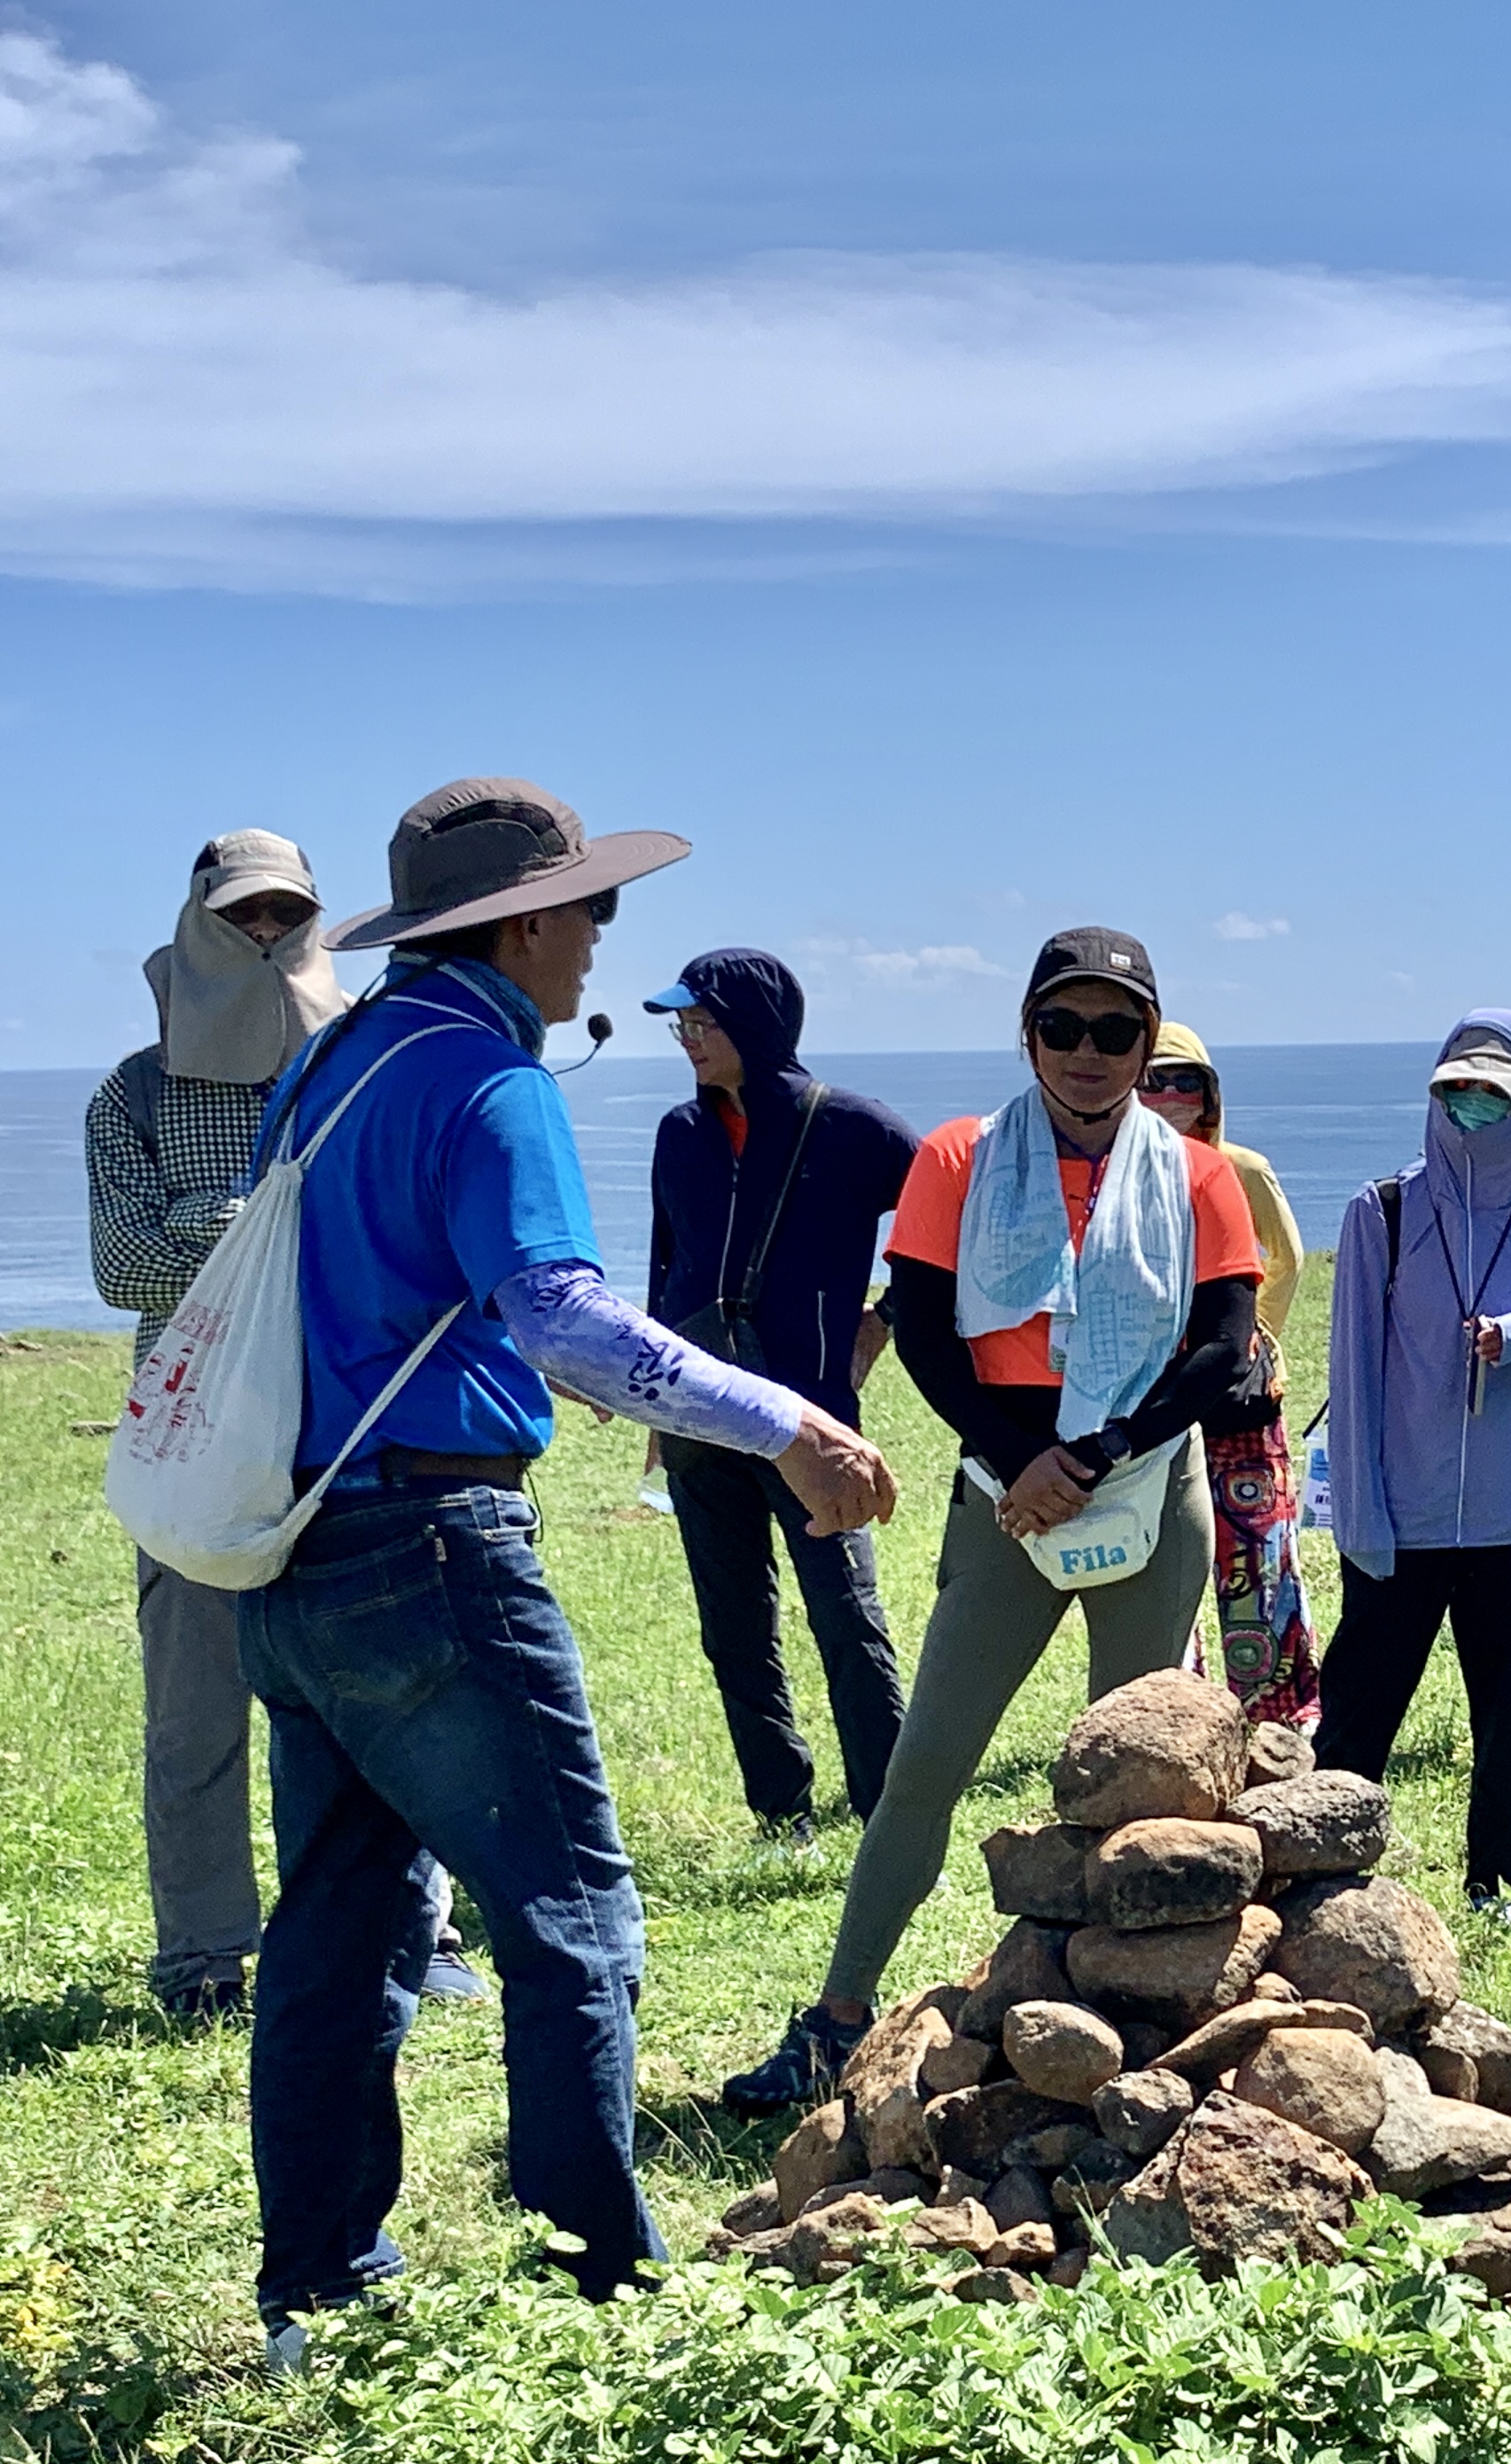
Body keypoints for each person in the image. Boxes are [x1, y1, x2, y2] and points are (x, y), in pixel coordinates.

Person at [244, 777, 896, 2359]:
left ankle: (314, 2285)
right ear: (524, 920)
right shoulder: (489, 1078)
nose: (604, 943)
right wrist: (784, 1422)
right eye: (593, 910)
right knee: (575, 1914)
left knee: (338, 1920)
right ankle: (601, 2287)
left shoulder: (326, 1065)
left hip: (290, 1539)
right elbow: (558, 1311)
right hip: (438, 1541)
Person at [727, 930, 1262, 2108]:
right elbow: (921, 1328)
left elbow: (1224, 1352)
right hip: (1003, 1498)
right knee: (928, 1767)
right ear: (1027, 1034)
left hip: (1142, 1486)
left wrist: (1098, 1454)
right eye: (1063, 1027)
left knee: (1139, 1781)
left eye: (1116, 1031)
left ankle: (1128, 2016)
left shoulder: (1199, 1175)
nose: (1087, 1052)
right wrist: (1022, 1462)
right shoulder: (961, 1159)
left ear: (1146, 1042)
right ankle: (836, 2015)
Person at [85, 831, 348, 2017]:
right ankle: (200, 1957)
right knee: (193, 1713)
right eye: (244, 916)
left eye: (286, 915)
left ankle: (405, 1933)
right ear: (199, 921)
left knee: (370, 1704)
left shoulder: (357, 1068)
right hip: (191, 1433)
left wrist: (214, 1227)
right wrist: (247, 1217)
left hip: (341, 1424)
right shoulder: (134, 1092)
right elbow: (121, 1265)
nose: (265, 936)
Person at [1312, 1014, 1511, 1938]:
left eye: (1496, 1090)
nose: (1474, 1106)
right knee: (1358, 1719)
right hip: (1401, 1523)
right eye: (1458, 1087)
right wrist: (1362, 1518)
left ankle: (1498, 1887)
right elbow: (1354, 1372)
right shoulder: (1384, 1211)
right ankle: (1324, 1881)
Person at [643, 950, 923, 1843]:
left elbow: (943, 1237)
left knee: (845, 1614)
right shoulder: (680, 1134)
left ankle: (890, 1808)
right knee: (732, 1623)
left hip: (813, 1420)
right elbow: (666, 1270)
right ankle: (779, 1808)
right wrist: (654, 1406)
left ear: (754, 1026)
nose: (687, 1039)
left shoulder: (850, 1127)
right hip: (699, 1417)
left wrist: (876, 1331)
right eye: (680, 1024)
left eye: (702, 1022)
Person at [1141, 1018, 1320, 1727]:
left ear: (1209, 1094)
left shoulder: (1240, 1167)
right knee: (1161, 1560)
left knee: (1257, 1553)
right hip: (1149, 1395)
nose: (1169, 1094)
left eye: (1186, 1080)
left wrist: (1252, 1334)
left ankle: (1281, 1713)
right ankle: (1179, 1714)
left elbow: (1287, 1256)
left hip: (1238, 1396)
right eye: (1153, 1078)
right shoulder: (1113, 1174)